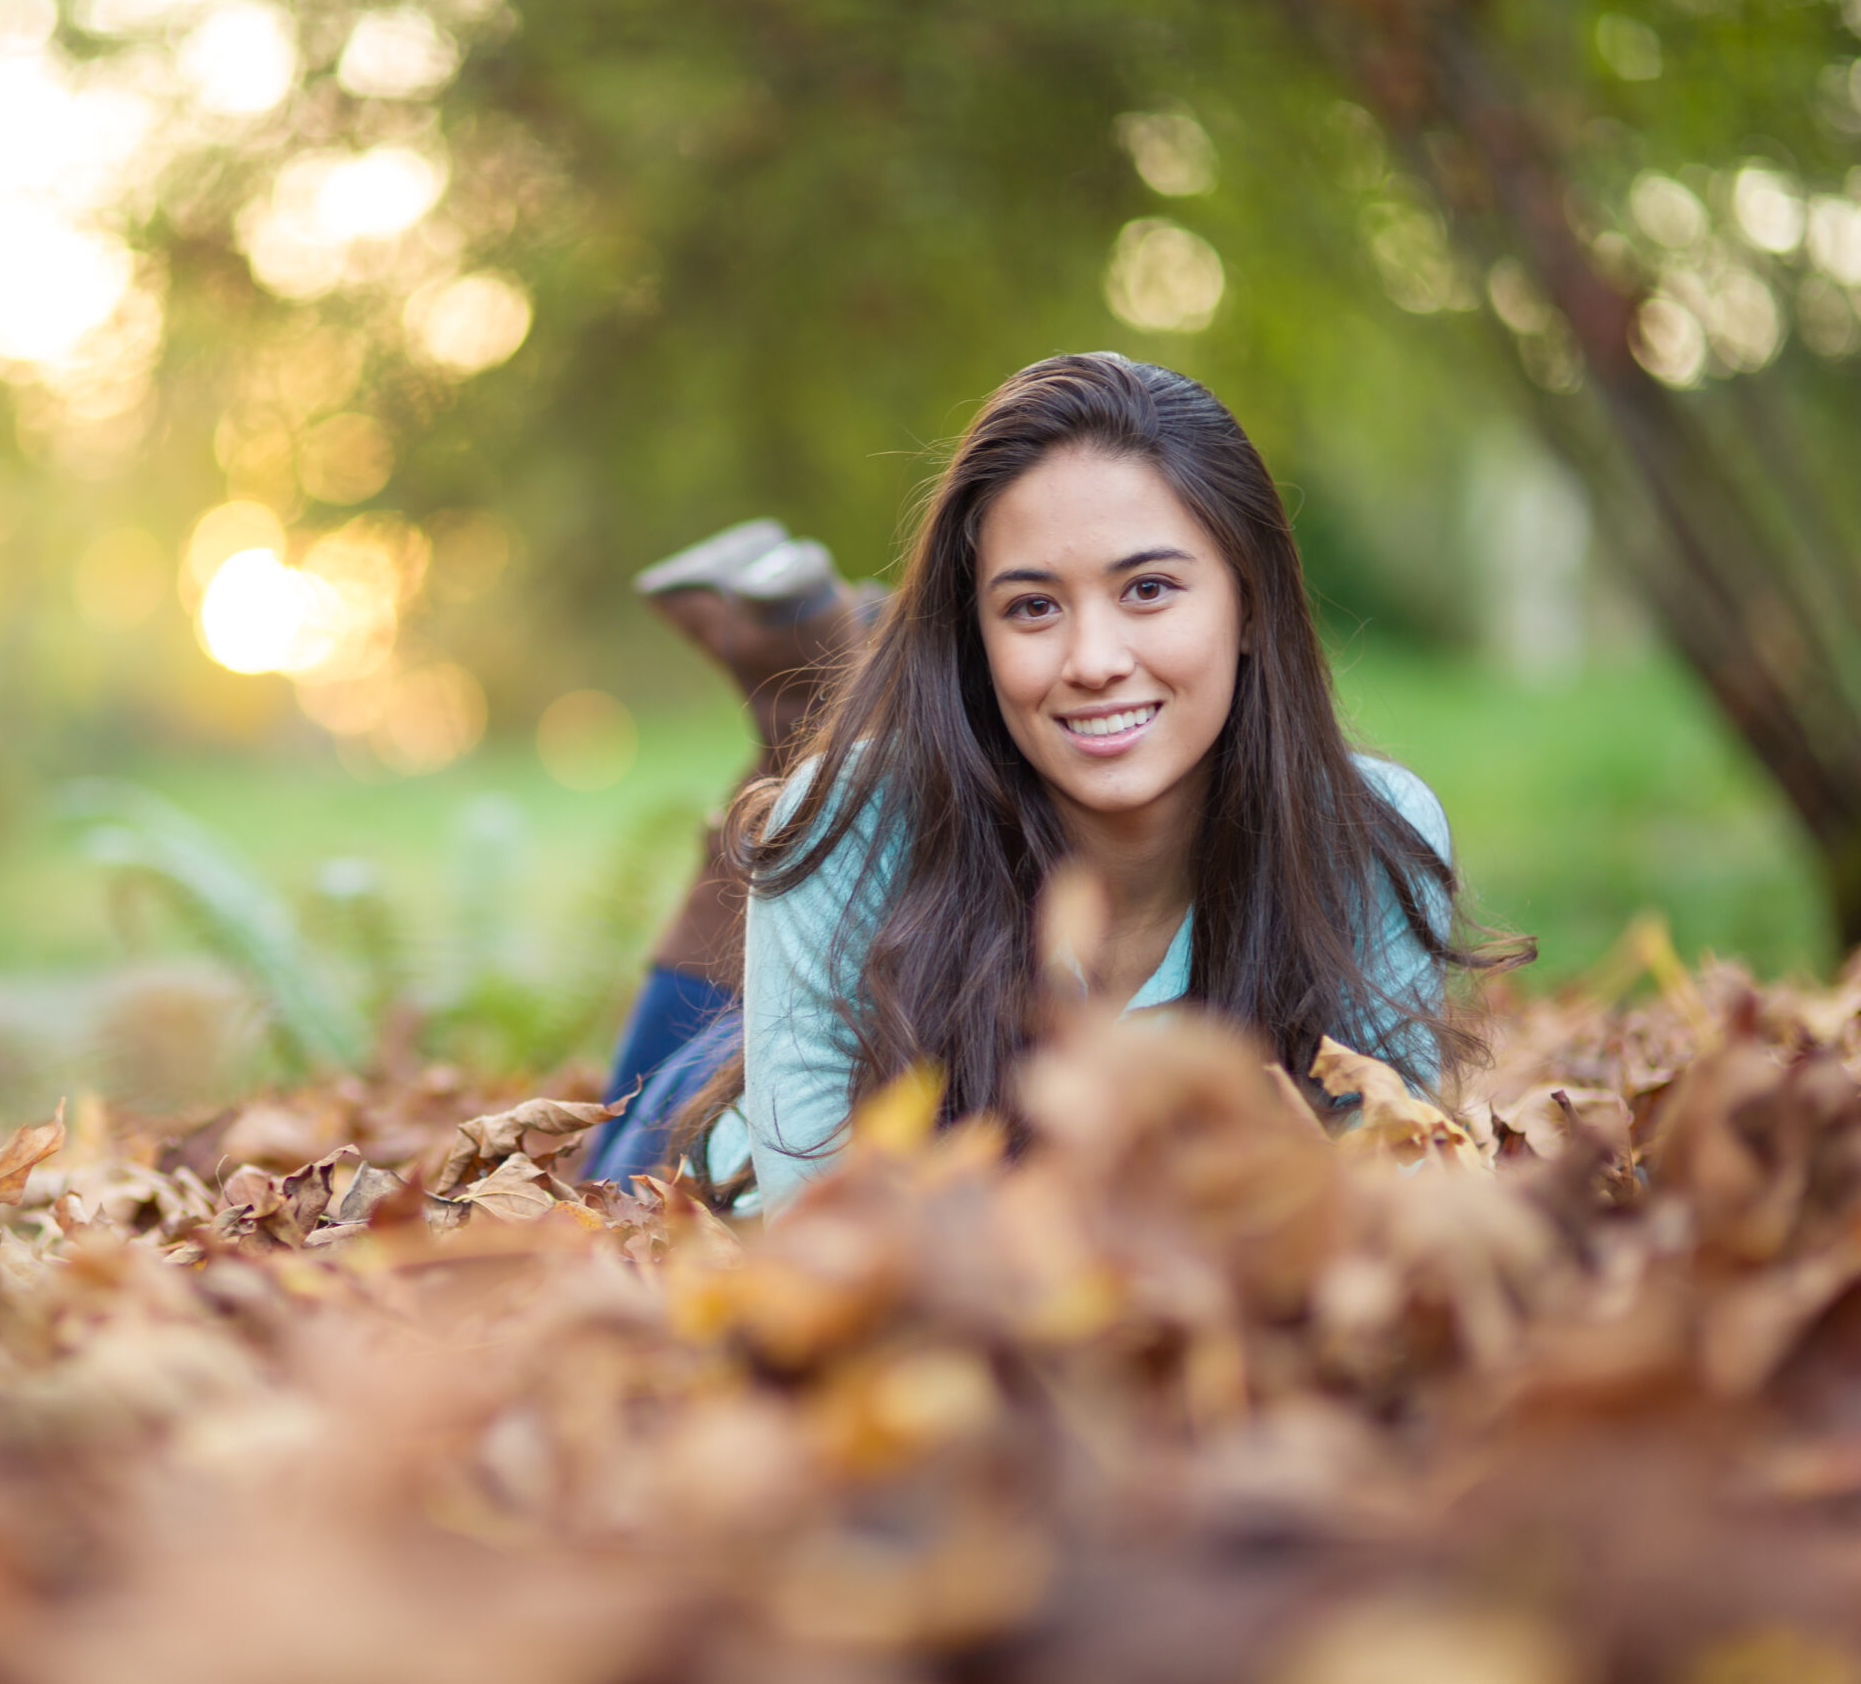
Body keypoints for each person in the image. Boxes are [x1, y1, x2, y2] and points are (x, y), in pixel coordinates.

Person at [586, 351, 1524, 1211]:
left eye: (1149, 588)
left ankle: (812, 699)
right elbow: (825, 1238)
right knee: (809, 835)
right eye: (1032, 607)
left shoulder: (1364, 831)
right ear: (975, 640)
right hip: (724, 1155)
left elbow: (1383, 1196)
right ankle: (801, 717)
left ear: (1249, 604)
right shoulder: (851, 824)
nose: (1093, 659)